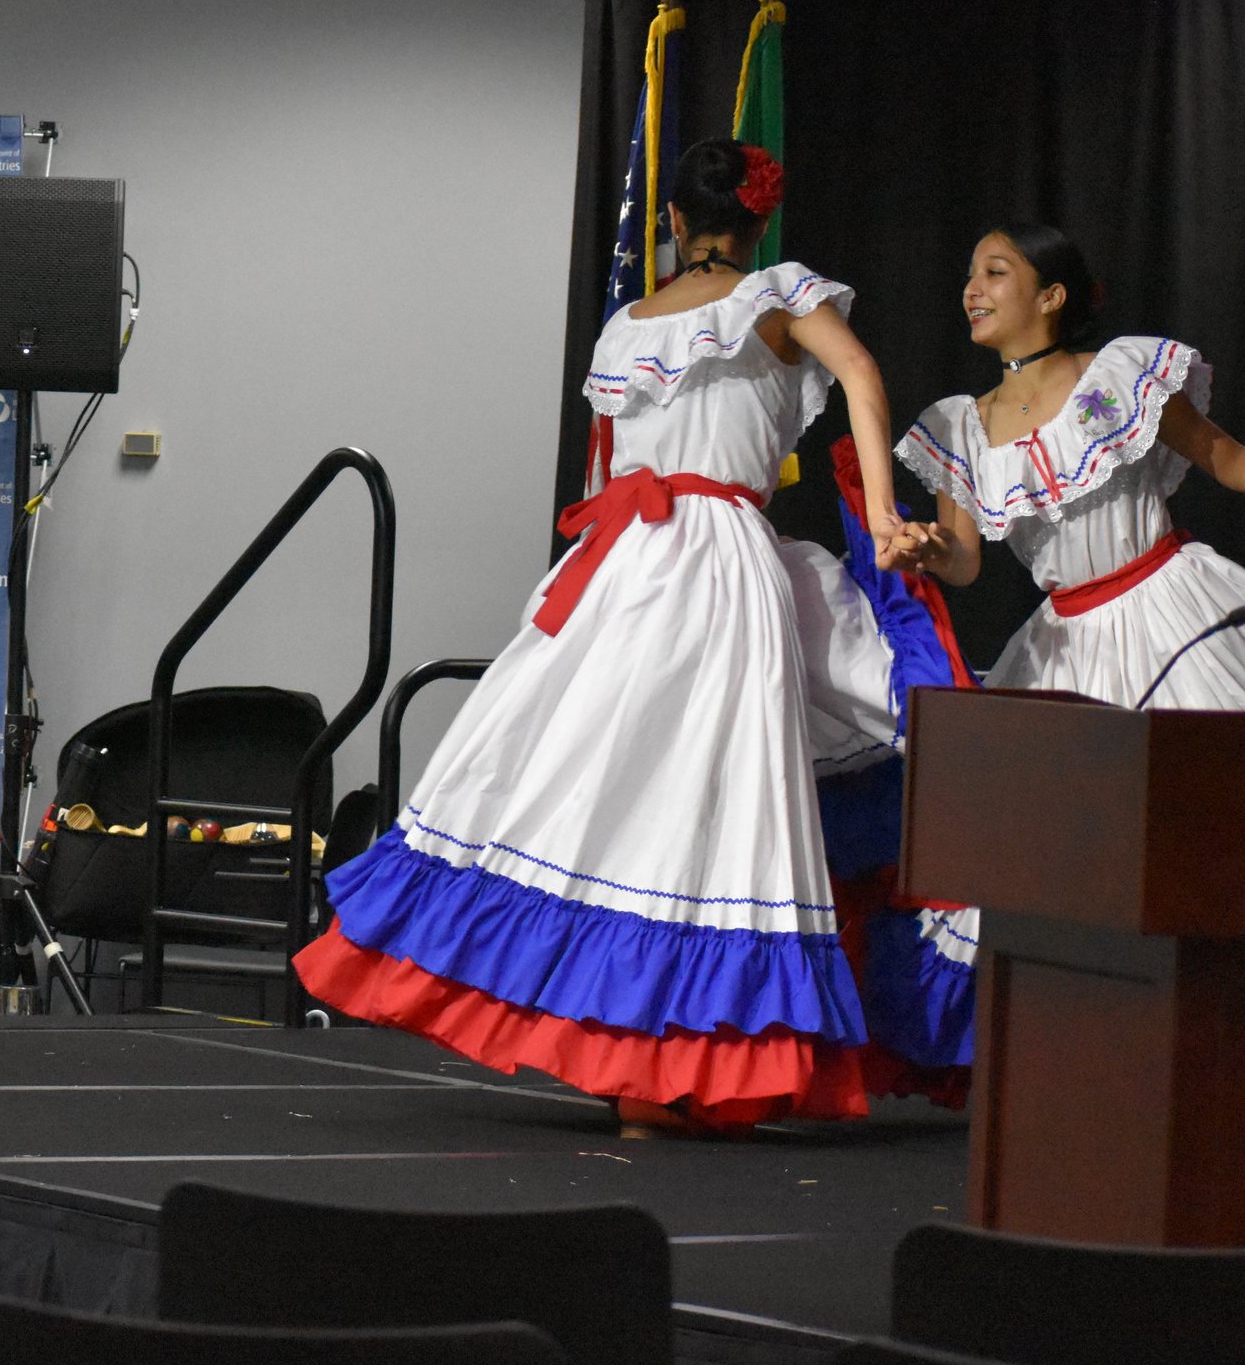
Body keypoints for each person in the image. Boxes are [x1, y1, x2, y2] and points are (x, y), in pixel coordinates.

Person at [295, 140, 904, 1131]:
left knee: (600, 785)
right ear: (753, 224)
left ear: (672, 219)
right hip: (717, 563)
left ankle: (628, 1049)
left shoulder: (628, 325)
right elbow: (863, 376)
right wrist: (878, 515)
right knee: (710, 795)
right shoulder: (778, 294)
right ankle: (683, 1054)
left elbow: (605, 463)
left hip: (626, 561)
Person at [891, 223, 1245, 706]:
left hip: (1170, 612)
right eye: (970, 278)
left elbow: (1228, 460)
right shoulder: (960, 428)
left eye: (994, 273)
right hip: (1068, 648)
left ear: (1050, 297)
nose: (972, 291)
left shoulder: (1120, 374)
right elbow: (964, 561)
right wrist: (931, 553)